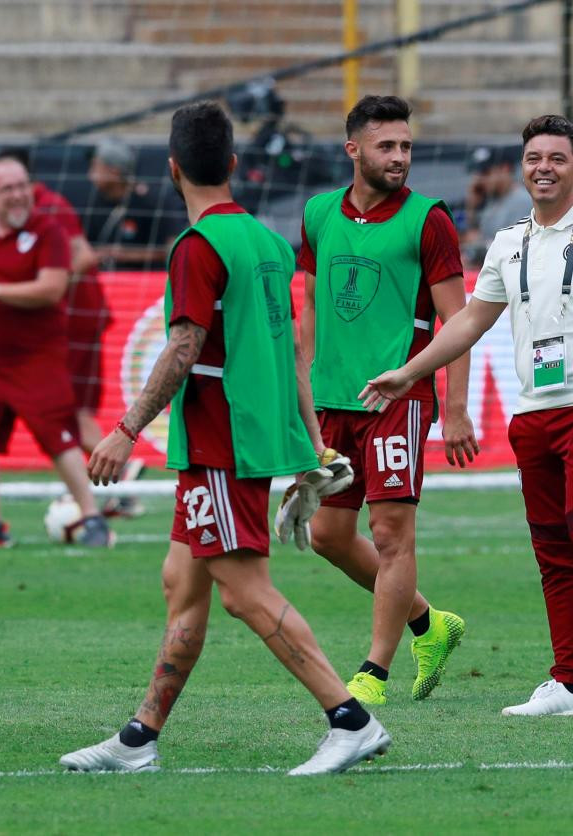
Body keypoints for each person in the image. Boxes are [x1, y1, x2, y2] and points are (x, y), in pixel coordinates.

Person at [60, 101, 389, 775]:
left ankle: (348, 718)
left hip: (221, 441)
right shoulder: (269, 244)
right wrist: (311, 441)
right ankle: (141, 735)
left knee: (244, 592)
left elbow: (184, 345)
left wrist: (125, 430)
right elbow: (296, 353)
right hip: (245, 439)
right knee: (183, 580)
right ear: (234, 166)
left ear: (173, 168)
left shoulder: (198, 246)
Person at [362, 114, 573, 716]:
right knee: (552, 547)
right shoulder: (507, 241)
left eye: (555, 158)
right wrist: (412, 370)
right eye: (533, 158)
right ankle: (570, 683)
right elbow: (470, 319)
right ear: (522, 169)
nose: (542, 167)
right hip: (533, 411)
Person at [296, 95, 479, 707]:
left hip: (399, 399)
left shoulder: (429, 219)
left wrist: (454, 410)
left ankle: (373, 673)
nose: (399, 157)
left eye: (405, 146)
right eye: (386, 146)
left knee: (392, 531)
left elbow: (458, 322)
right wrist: (300, 390)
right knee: (326, 535)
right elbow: (312, 309)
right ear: (353, 150)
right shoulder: (319, 214)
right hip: (331, 400)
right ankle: (429, 624)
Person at [0, 155, 110, 548]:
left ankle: (92, 516)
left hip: (39, 357)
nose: (18, 196)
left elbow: (51, 288)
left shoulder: (48, 230)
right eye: (8, 189)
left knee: (60, 436)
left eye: (23, 187)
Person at [82, 136, 186, 271]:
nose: (90, 174)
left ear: (114, 171)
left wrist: (122, 254)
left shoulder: (151, 203)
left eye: (96, 167)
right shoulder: (95, 202)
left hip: (146, 283)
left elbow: (172, 249)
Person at [461, 145, 534, 268]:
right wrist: (471, 206)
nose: (479, 180)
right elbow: (475, 234)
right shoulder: (492, 199)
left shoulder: (522, 201)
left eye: (485, 173)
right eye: (477, 174)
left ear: (505, 169)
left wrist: (476, 245)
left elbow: (515, 249)